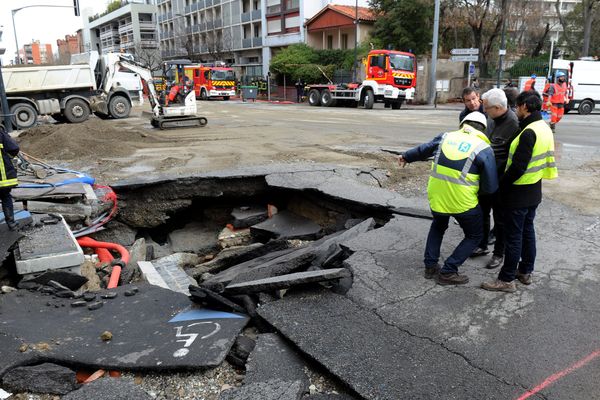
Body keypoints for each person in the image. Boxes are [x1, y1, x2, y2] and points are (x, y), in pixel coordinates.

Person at [398, 112, 498, 285]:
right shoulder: (483, 148)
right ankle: (449, 271)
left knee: (438, 225)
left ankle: (430, 266)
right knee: (475, 235)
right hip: (462, 202)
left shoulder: (445, 137)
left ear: (463, 124)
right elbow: (489, 187)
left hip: (437, 196)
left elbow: (424, 149)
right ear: (483, 129)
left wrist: (406, 156)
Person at [481, 91, 557, 292]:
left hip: (519, 194)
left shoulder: (529, 132)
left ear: (524, 106)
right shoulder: (544, 127)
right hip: (534, 191)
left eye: (517, 106)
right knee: (527, 232)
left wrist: (501, 187)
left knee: (514, 238)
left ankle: (506, 280)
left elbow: (518, 167)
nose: (515, 109)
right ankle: (525, 271)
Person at [471, 88, 520, 269]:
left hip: (501, 181)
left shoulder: (514, 124)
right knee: (482, 214)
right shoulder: (492, 119)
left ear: (498, 107)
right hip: (485, 178)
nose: (485, 111)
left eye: (488, 108)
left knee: (500, 219)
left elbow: (512, 157)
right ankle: (482, 244)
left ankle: (499, 253)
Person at [1, 127, 20, 230]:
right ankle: (11, 224)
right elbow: (14, 148)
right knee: (5, 197)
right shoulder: (0, 132)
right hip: (2, 177)